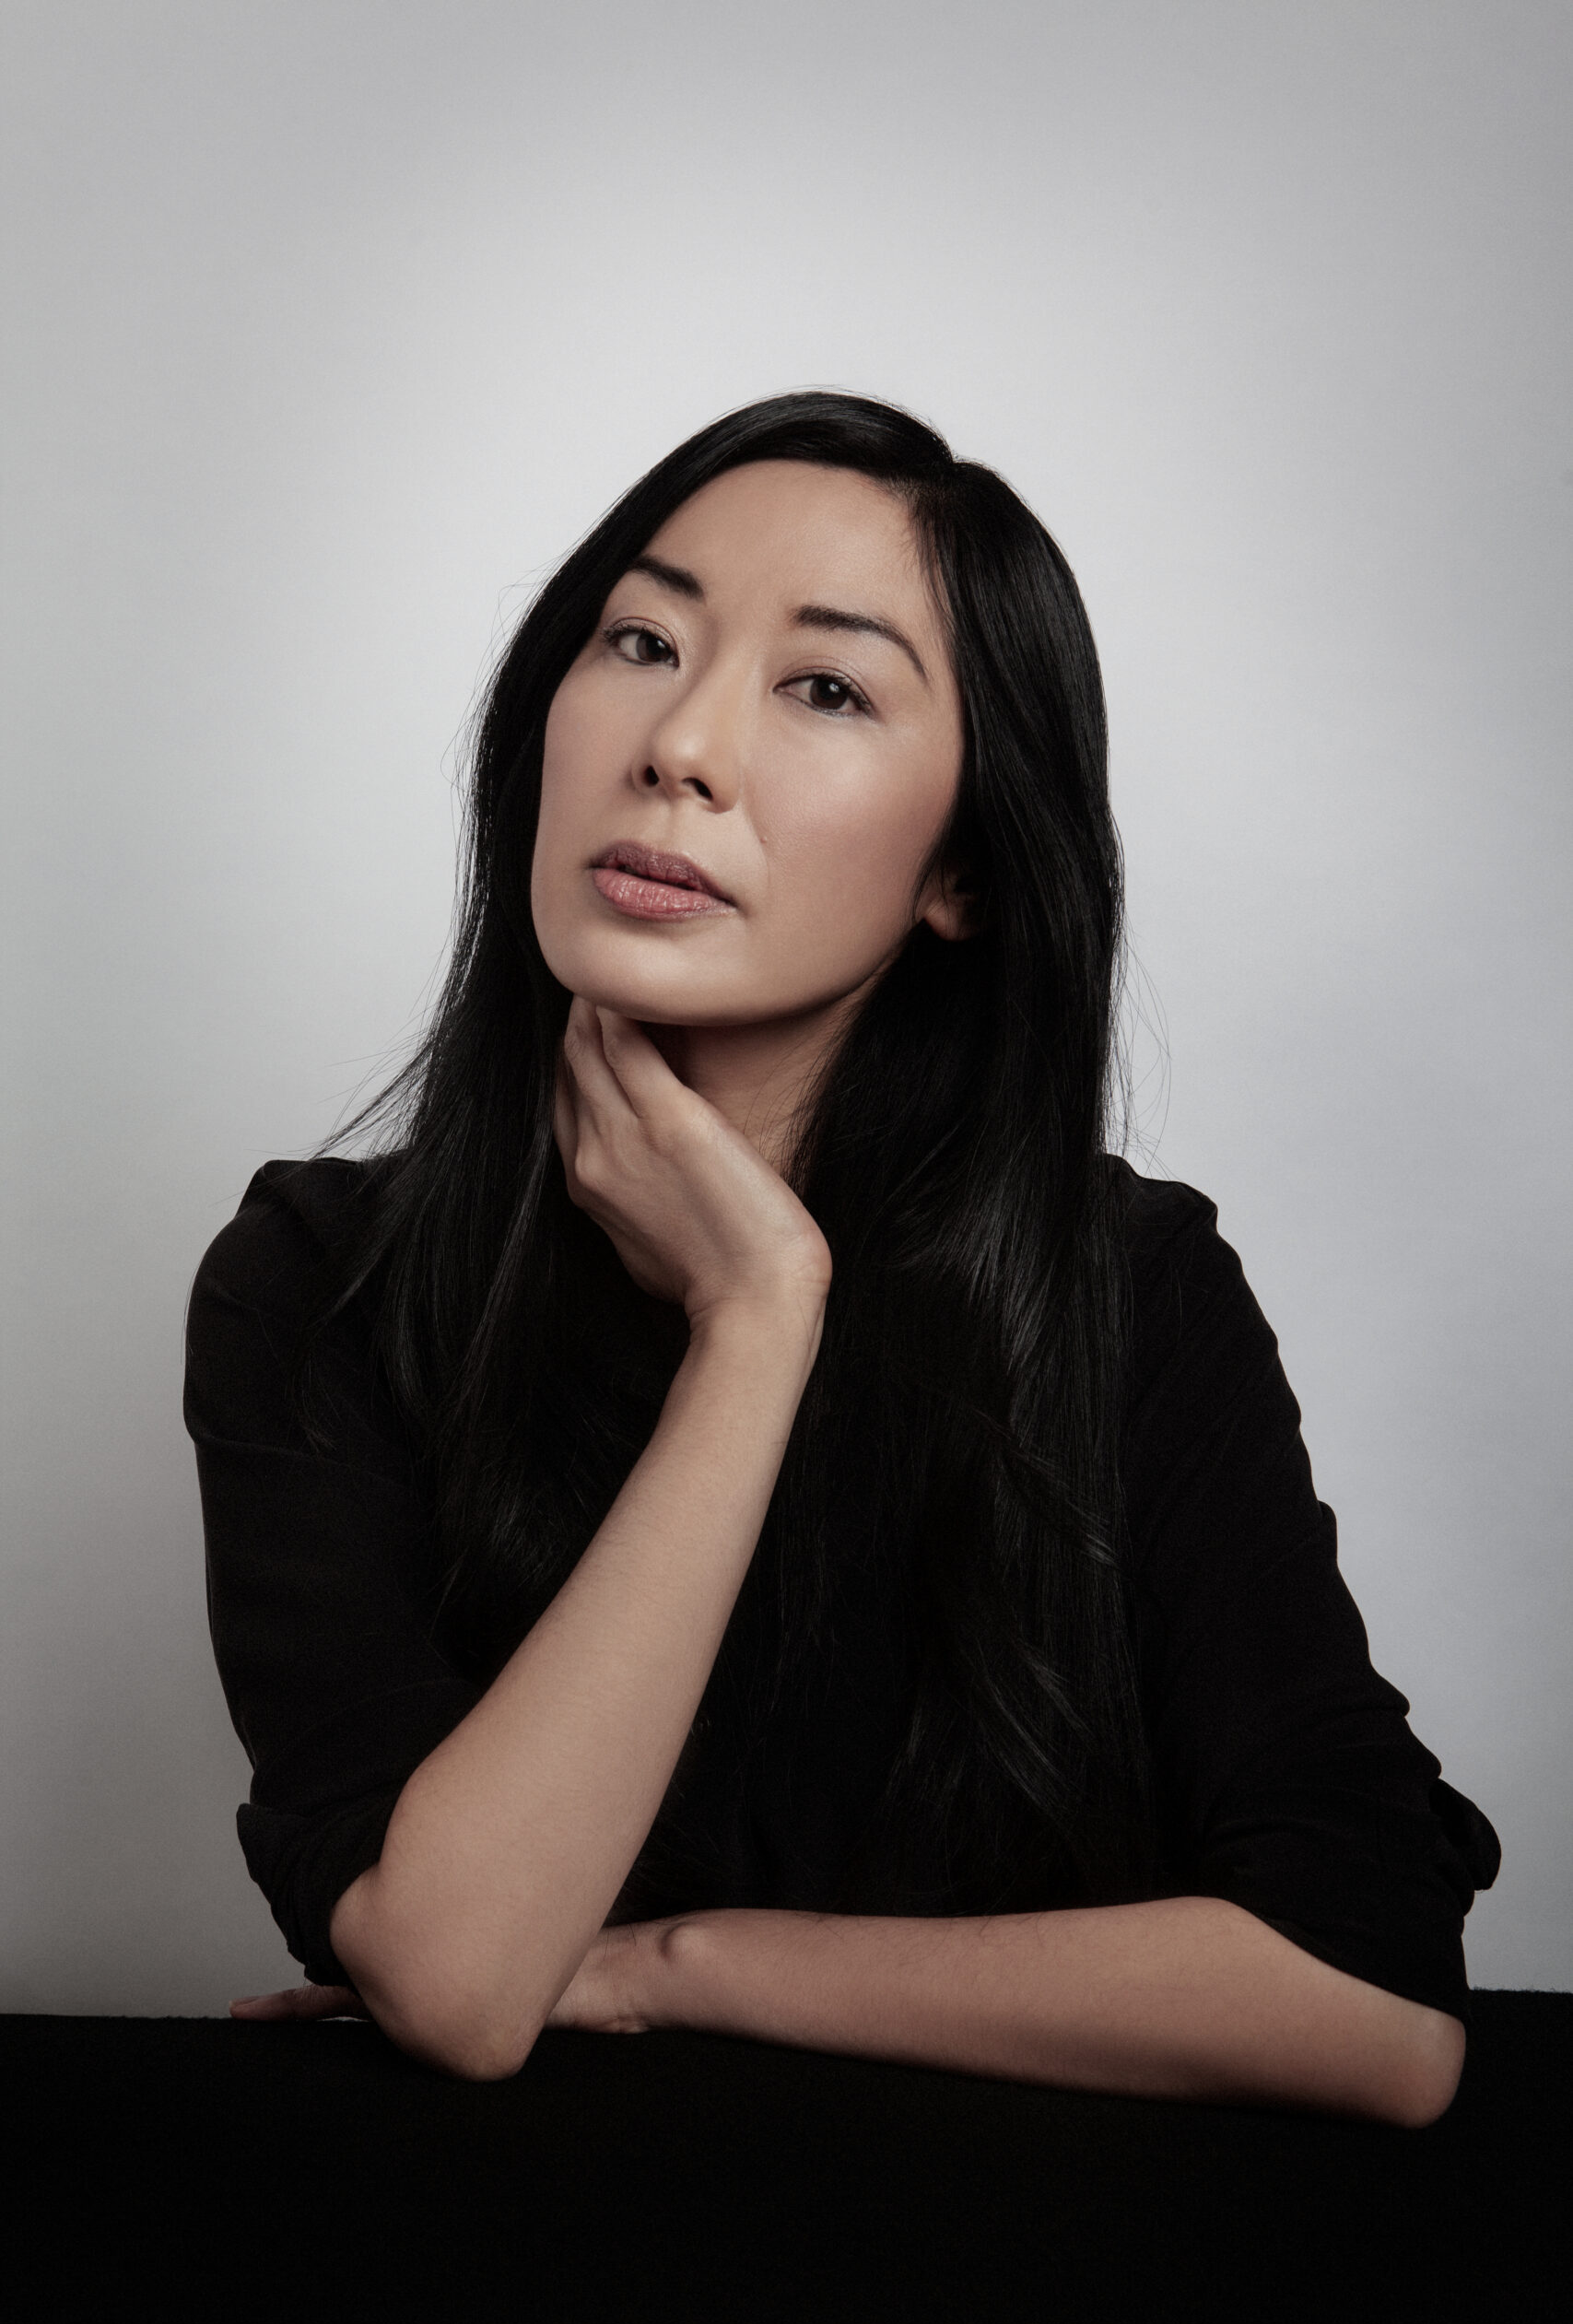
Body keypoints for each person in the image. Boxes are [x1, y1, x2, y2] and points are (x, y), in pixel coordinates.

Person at [184, 391, 1499, 2123]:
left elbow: (1377, 2010)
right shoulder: (319, 1283)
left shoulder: (1125, 1290)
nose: (681, 744)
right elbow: (463, 1979)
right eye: (642, 641)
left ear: (964, 868)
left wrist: (671, 1964)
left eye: (825, 688)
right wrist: (753, 1327)